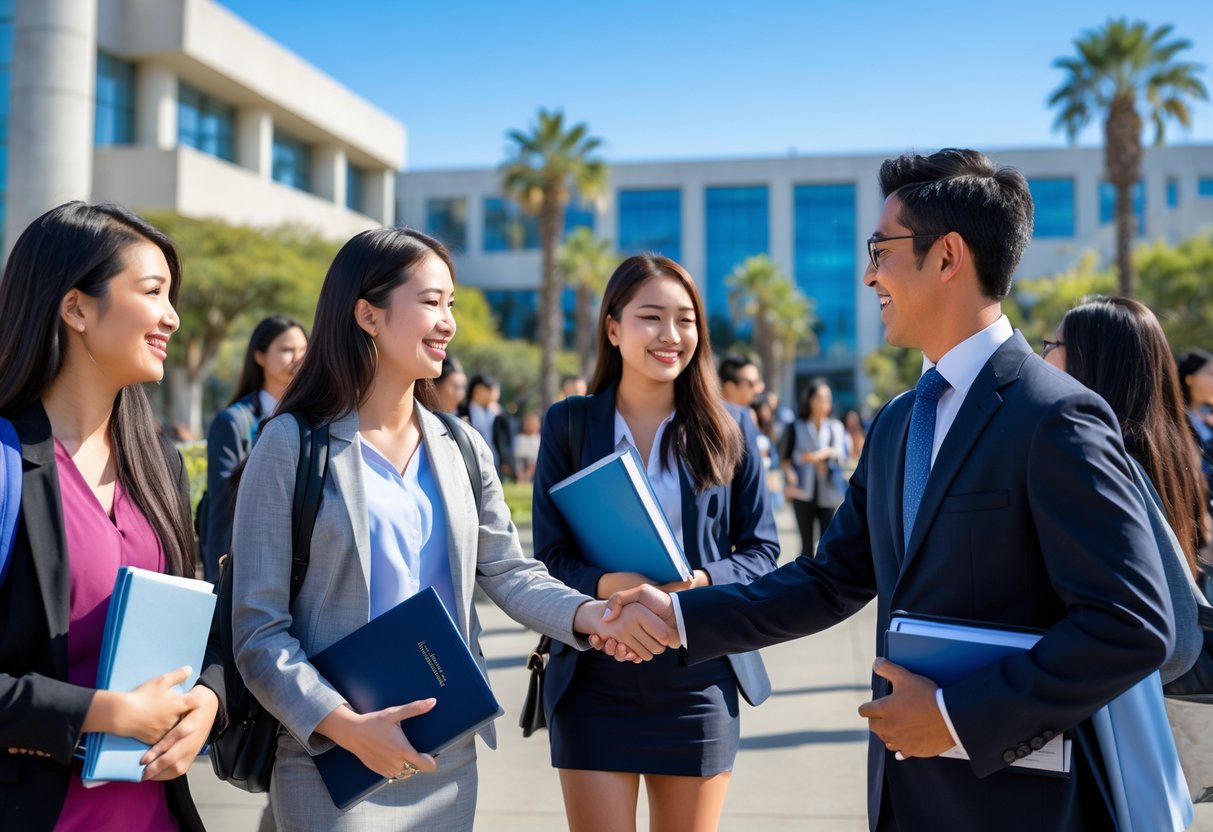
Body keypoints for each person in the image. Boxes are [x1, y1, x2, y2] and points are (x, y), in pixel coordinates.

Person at [602, 149, 1174, 831]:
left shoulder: (1054, 416)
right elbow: (830, 578)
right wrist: (680, 618)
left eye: (881, 249)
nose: (868, 272)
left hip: (1017, 803)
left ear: (947, 256)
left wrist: (953, 718)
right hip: (904, 796)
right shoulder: (901, 420)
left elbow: (1130, 625)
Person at [230, 227, 668, 831]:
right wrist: (346, 727)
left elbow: (511, 573)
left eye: (451, 304)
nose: (448, 323)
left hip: (446, 752)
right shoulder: (291, 445)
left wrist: (591, 616)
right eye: (431, 302)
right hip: (334, 757)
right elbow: (259, 631)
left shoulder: (460, 444)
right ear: (368, 315)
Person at [532, 254, 779, 832]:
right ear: (613, 329)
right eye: (651, 317)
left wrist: (695, 584)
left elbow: (761, 553)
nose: (671, 335)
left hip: (699, 673)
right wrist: (607, 585)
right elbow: (548, 559)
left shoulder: (732, 425)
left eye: (686, 319)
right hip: (596, 673)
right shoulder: (569, 424)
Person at [0, 202, 224, 831]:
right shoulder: (6, 464)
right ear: (75, 308)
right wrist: (104, 713)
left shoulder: (161, 467)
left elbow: (204, 634)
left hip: (156, 815)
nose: (172, 318)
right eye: (153, 292)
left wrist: (208, 699)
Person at [1042, 295, 1208, 680]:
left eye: (1052, 346)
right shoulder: (1168, 451)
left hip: (1110, 696)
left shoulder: (1104, 462)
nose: (1043, 358)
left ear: (1094, 360)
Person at [199, 314, 307, 582]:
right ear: (259, 356)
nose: (298, 359)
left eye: (304, 350)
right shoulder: (233, 423)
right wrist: (218, 584)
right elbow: (222, 512)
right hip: (250, 571)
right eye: (286, 350)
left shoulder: (314, 420)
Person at [780, 379, 847, 556]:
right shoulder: (795, 426)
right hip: (802, 491)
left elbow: (841, 453)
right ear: (809, 400)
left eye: (828, 398)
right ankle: (805, 581)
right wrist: (790, 474)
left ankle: (825, 581)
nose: (825, 402)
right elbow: (785, 458)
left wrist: (822, 454)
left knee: (828, 541)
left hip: (829, 490)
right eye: (820, 397)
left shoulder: (835, 426)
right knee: (806, 544)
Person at [459, 373, 514, 481]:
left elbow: (505, 438)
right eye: (492, 389)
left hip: (494, 460)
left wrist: (506, 460)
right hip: (470, 459)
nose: (496, 394)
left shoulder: (498, 413)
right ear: (478, 390)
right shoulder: (463, 411)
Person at [512, 410, 542, 484]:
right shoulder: (519, 438)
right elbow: (517, 457)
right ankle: (521, 480)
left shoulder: (539, 439)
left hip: (534, 464)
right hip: (521, 461)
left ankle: (528, 479)